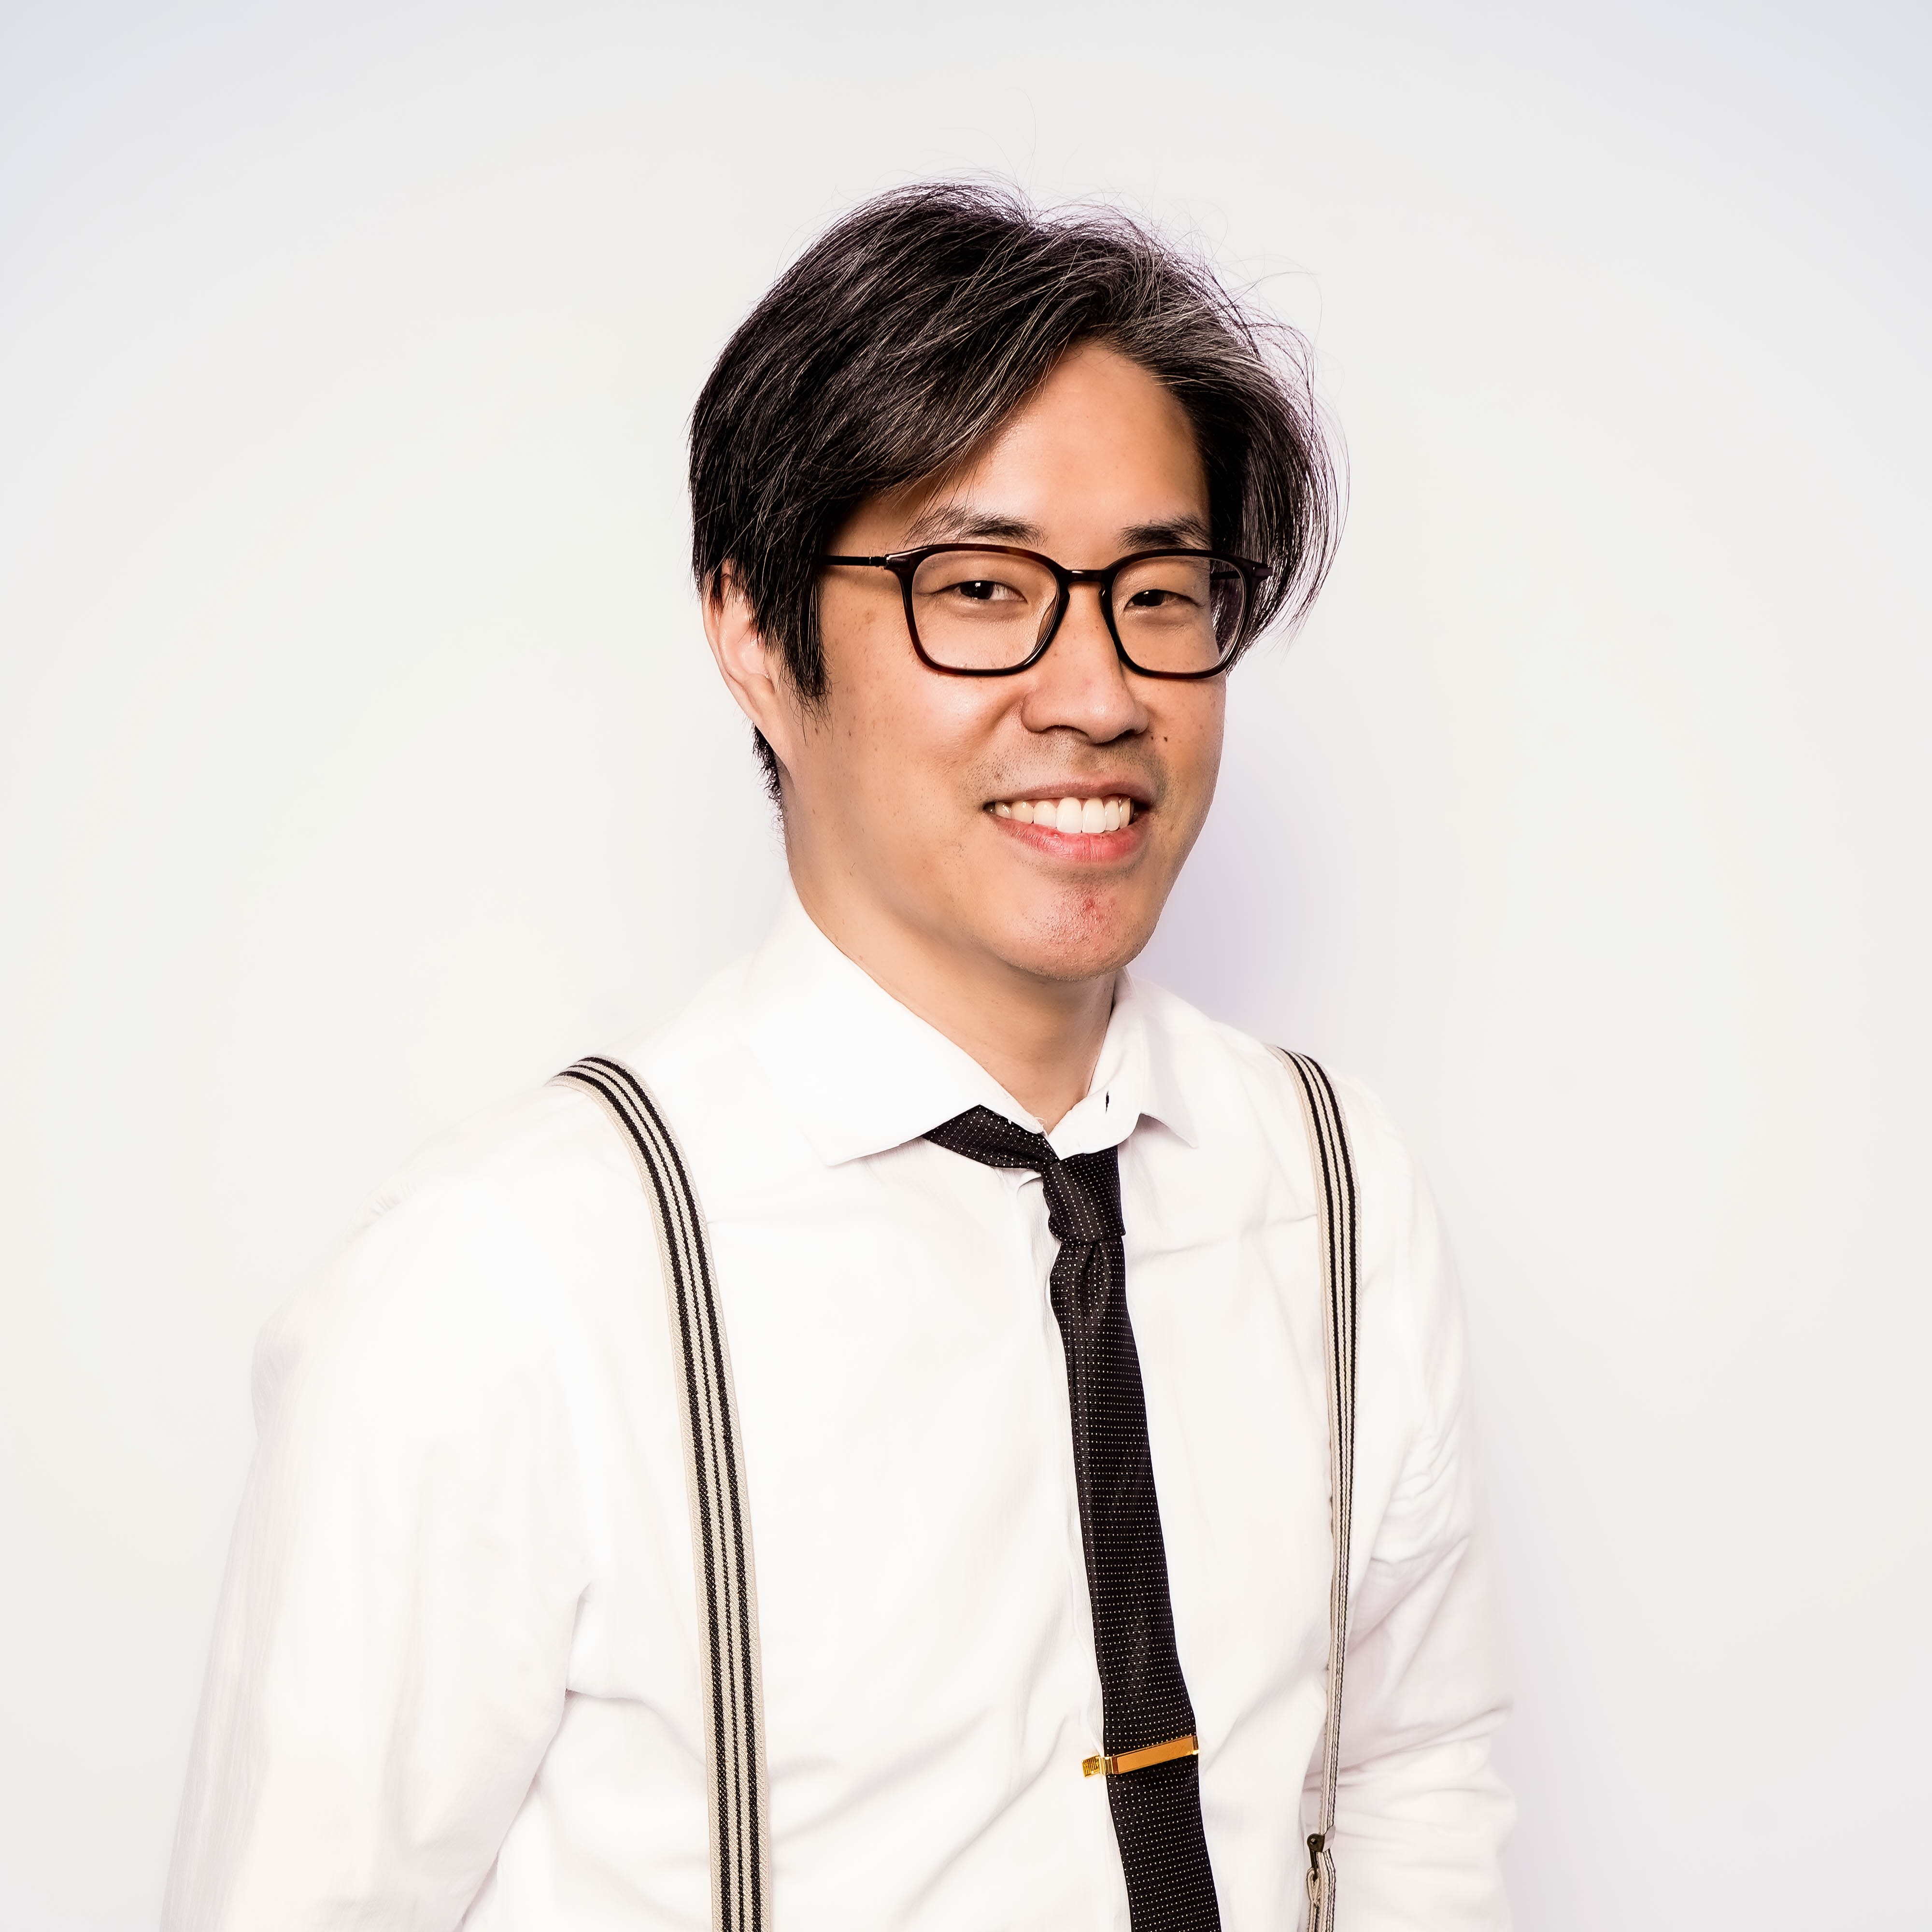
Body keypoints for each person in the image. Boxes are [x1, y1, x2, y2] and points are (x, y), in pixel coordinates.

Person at [163, 182, 1512, 1931]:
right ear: (751, 631)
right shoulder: (508, 1281)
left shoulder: (1334, 1184)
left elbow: (1411, 1764)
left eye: (1163, 592)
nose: (1099, 692)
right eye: (982, 588)